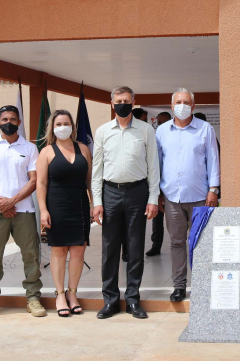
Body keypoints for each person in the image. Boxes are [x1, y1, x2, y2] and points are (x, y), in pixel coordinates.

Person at [92, 87, 160, 319]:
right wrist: (97, 201)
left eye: (126, 101)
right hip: (110, 193)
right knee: (110, 249)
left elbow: (153, 166)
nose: (122, 104)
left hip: (137, 193)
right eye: (118, 100)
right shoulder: (102, 131)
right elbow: (97, 169)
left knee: (135, 248)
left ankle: (132, 299)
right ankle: (110, 300)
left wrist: (153, 198)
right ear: (112, 103)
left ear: (133, 102)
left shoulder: (146, 130)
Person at [0, 105, 45, 319]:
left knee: (31, 254)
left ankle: (33, 298)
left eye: (13, 119)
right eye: (5, 119)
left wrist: (12, 201)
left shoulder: (31, 148)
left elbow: (34, 180)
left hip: (23, 210)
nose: (9, 122)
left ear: (19, 123)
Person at [156, 88, 220, 302]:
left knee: (201, 241)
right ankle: (179, 286)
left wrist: (213, 189)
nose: (182, 106)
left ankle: (201, 284)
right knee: (176, 242)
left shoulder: (205, 129)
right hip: (172, 197)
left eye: (186, 102)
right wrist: (157, 193)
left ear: (193, 106)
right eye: (178, 102)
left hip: (201, 196)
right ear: (171, 106)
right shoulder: (162, 131)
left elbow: (213, 160)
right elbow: (158, 164)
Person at [37, 109, 92, 317]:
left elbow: (89, 181)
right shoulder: (46, 152)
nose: (62, 127)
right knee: (59, 252)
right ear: (52, 127)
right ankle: (59, 294)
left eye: (66, 123)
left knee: (78, 252)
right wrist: (43, 210)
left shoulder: (83, 149)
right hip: (56, 207)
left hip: (79, 206)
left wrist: (95, 205)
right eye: (58, 124)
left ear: (73, 126)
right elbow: (41, 183)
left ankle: (72, 294)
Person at [147, 111, 173, 257]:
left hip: (172, 187)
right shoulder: (154, 138)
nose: (162, 125)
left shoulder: (174, 137)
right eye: (159, 122)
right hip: (157, 186)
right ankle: (156, 246)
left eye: (165, 122)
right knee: (157, 220)